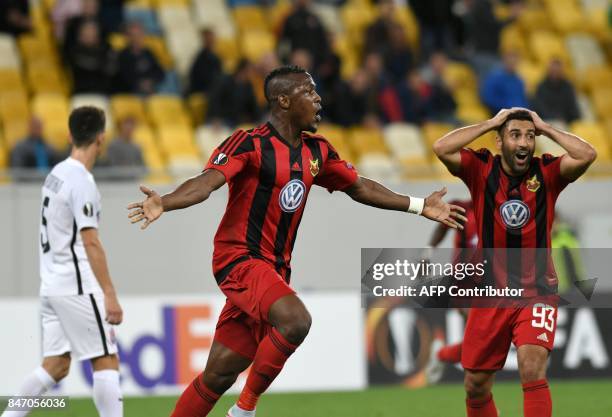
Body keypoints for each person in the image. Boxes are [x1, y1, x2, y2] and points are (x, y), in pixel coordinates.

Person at [127, 65, 466, 417]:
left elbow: (360, 187)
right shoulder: (249, 144)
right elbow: (205, 183)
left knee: (219, 373)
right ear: (284, 101)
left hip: (273, 271)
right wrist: (163, 202)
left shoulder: (316, 151)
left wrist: (420, 205)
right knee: (296, 320)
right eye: (310, 92)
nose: (319, 99)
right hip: (239, 259)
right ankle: (244, 411)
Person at [433, 108, 597, 417]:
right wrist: (492, 122)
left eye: (529, 136)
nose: (523, 143)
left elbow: (587, 154)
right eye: (515, 135)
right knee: (475, 385)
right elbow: (441, 147)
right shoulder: (480, 169)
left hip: (536, 292)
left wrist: (545, 127)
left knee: (532, 368)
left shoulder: (547, 172)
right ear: (499, 141)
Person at [1, 107, 124, 417]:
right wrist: (108, 292)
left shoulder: (55, 174)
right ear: (101, 138)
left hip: (51, 284)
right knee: (106, 359)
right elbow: (90, 240)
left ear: (70, 135)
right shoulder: (82, 181)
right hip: (76, 284)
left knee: (55, 366)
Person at [423, 199, 477, 383]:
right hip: (465, 281)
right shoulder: (464, 208)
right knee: (480, 333)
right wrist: (427, 254)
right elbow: (442, 227)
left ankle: (441, 354)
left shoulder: (505, 208)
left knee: (486, 341)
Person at [116, 21, 164, 95]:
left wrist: (150, 81)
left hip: (150, 90)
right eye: (133, 35)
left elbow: (160, 72)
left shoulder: (149, 53)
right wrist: (140, 83)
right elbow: (124, 76)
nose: (137, 38)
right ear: (127, 37)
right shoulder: (122, 56)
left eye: (139, 35)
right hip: (130, 93)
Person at [66, 20, 115, 94]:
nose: (89, 36)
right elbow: (79, 65)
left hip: (102, 92)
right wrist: (99, 64)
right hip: (80, 92)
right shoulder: (74, 50)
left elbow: (111, 70)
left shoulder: (105, 49)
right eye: (86, 33)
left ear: (97, 36)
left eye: (92, 33)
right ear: (80, 36)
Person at [532, 59, 580, 124]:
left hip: (566, 122)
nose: (555, 73)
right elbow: (540, 108)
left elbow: (572, 107)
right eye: (553, 71)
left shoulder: (567, 87)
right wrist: (554, 118)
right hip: (547, 121)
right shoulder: (542, 87)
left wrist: (567, 119)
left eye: (557, 71)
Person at [188, 28, 223, 95]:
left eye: (212, 37)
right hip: (203, 89)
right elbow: (200, 79)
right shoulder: (200, 59)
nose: (212, 40)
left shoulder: (216, 57)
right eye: (209, 38)